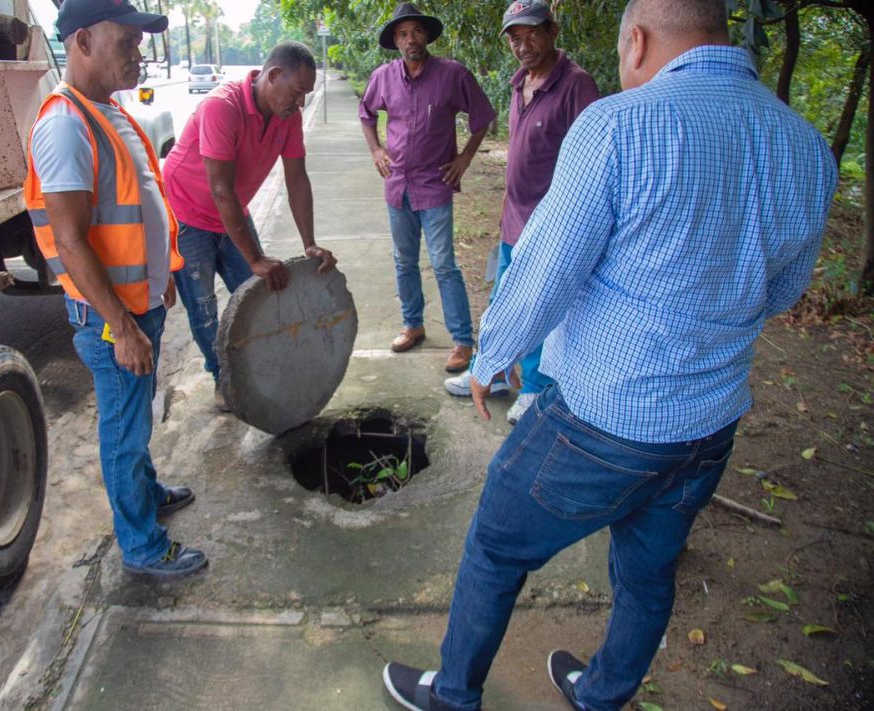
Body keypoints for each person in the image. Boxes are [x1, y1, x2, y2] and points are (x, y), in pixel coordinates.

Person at [382, 0, 838, 708]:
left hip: (606, 420)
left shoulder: (620, 125)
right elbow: (780, 289)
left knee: (497, 547)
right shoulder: (804, 144)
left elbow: (546, 269)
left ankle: (453, 693)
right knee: (649, 570)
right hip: (710, 425)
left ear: (637, 39)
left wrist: (490, 353)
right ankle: (600, 693)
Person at [23, 0, 207, 581]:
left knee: (136, 418)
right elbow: (72, 243)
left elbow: (133, 209)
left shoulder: (110, 112)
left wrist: (159, 282)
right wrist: (124, 328)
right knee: (124, 431)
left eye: (138, 42)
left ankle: (147, 496)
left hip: (139, 304)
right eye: (126, 42)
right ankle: (142, 546)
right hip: (112, 319)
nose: (139, 53)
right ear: (82, 43)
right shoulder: (64, 124)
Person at [443, 0, 599, 425]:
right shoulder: (519, 83)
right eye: (514, 37)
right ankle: (489, 372)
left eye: (531, 33)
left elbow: (591, 162)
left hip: (550, 224)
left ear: (552, 31)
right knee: (502, 301)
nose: (523, 44)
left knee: (537, 305)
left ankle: (533, 388)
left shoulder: (575, 85)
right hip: (515, 217)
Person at [163, 41, 337, 412]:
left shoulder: (287, 117)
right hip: (186, 215)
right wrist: (255, 257)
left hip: (230, 213)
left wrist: (309, 243)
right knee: (205, 309)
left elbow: (297, 179)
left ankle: (265, 368)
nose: (301, 102)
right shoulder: (221, 108)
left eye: (306, 94)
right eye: (297, 91)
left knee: (262, 291)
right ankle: (224, 382)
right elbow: (221, 190)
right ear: (273, 76)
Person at [359, 3, 496, 373]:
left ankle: (463, 340)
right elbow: (366, 113)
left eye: (416, 31)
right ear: (396, 41)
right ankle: (413, 325)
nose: (410, 40)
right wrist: (376, 149)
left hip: (435, 185)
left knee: (443, 264)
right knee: (403, 261)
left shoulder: (452, 75)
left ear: (427, 35)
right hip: (397, 185)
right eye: (402, 34)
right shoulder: (383, 77)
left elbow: (483, 116)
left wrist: (465, 157)